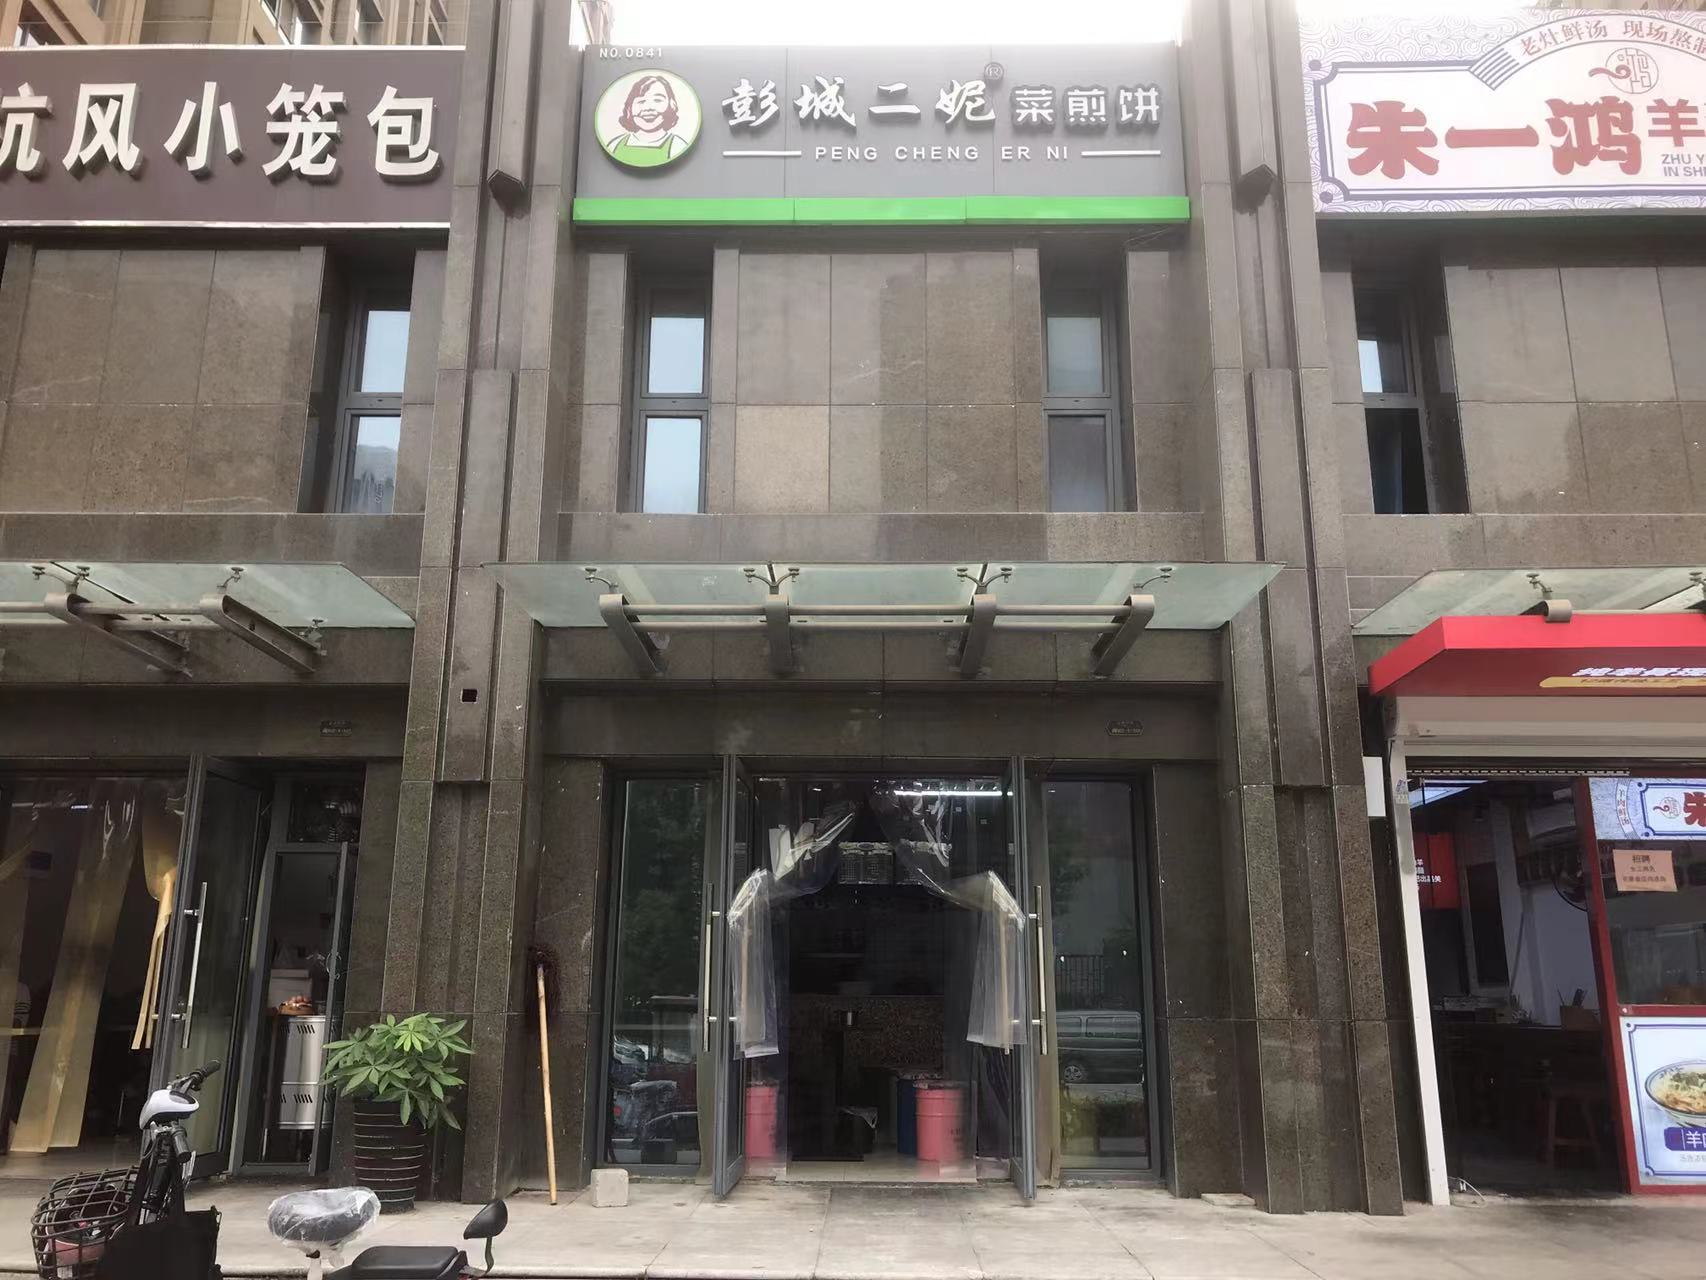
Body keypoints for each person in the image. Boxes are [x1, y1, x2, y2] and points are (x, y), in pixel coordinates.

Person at [606, 75, 691, 167]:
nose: (648, 108)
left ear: (671, 105)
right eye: (641, 101)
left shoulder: (677, 145)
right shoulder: (615, 144)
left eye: (657, 100)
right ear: (629, 108)